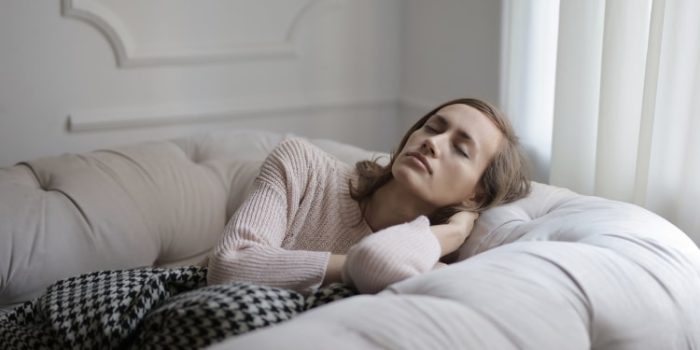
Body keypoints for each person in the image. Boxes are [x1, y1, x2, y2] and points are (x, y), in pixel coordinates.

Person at [207, 98, 531, 294]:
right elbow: (229, 266)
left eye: (460, 149)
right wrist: (357, 269)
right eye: (433, 128)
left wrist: (453, 232)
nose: (433, 142)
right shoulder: (302, 165)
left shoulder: (421, 253)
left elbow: (385, 260)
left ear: (475, 196)